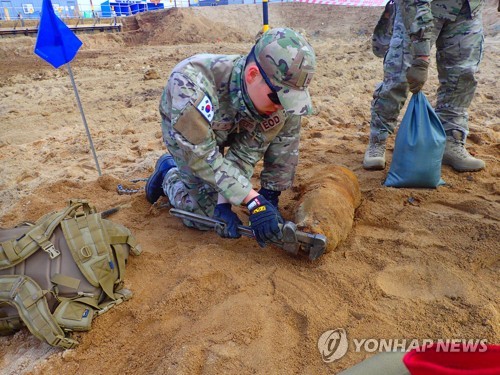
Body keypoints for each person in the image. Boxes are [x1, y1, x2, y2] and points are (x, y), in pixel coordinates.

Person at [145, 28, 316, 247]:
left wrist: (266, 200)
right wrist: (251, 202)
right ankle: (168, 174)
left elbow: (245, 154)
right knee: (203, 216)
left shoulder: (272, 101)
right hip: (190, 140)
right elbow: (202, 156)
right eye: (277, 96)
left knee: (290, 116)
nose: (280, 106)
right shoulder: (190, 84)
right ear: (252, 75)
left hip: (234, 127)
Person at [363, 0, 485, 172]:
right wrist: (420, 58)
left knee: (462, 75)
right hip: (421, 7)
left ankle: (451, 140)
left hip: (468, 9)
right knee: (400, 74)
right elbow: (416, 5)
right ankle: (378, 139)